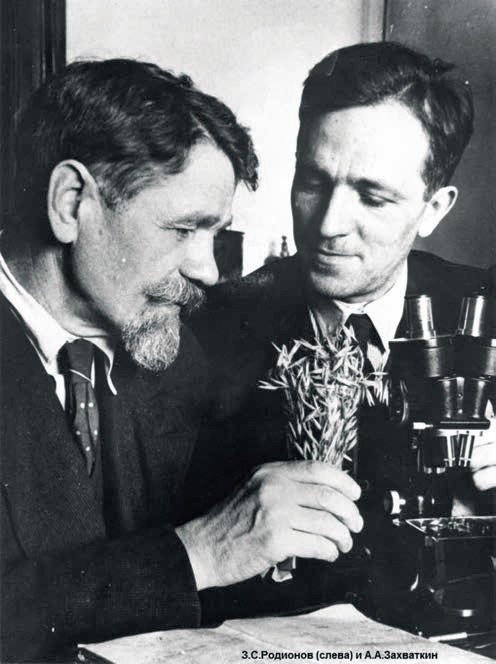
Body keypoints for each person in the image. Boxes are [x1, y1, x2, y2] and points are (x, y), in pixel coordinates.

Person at [0, 59, 364, 662]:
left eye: (214, 233)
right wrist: (195, 555)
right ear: (71, 202)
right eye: (184, 229)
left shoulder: (176, 358)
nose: (208, 270)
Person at [189, 41, 496, 621]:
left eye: (372, 197)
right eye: (312, 182)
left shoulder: (486, 313)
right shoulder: (208, 328)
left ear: (435, 209)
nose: (328, 224)